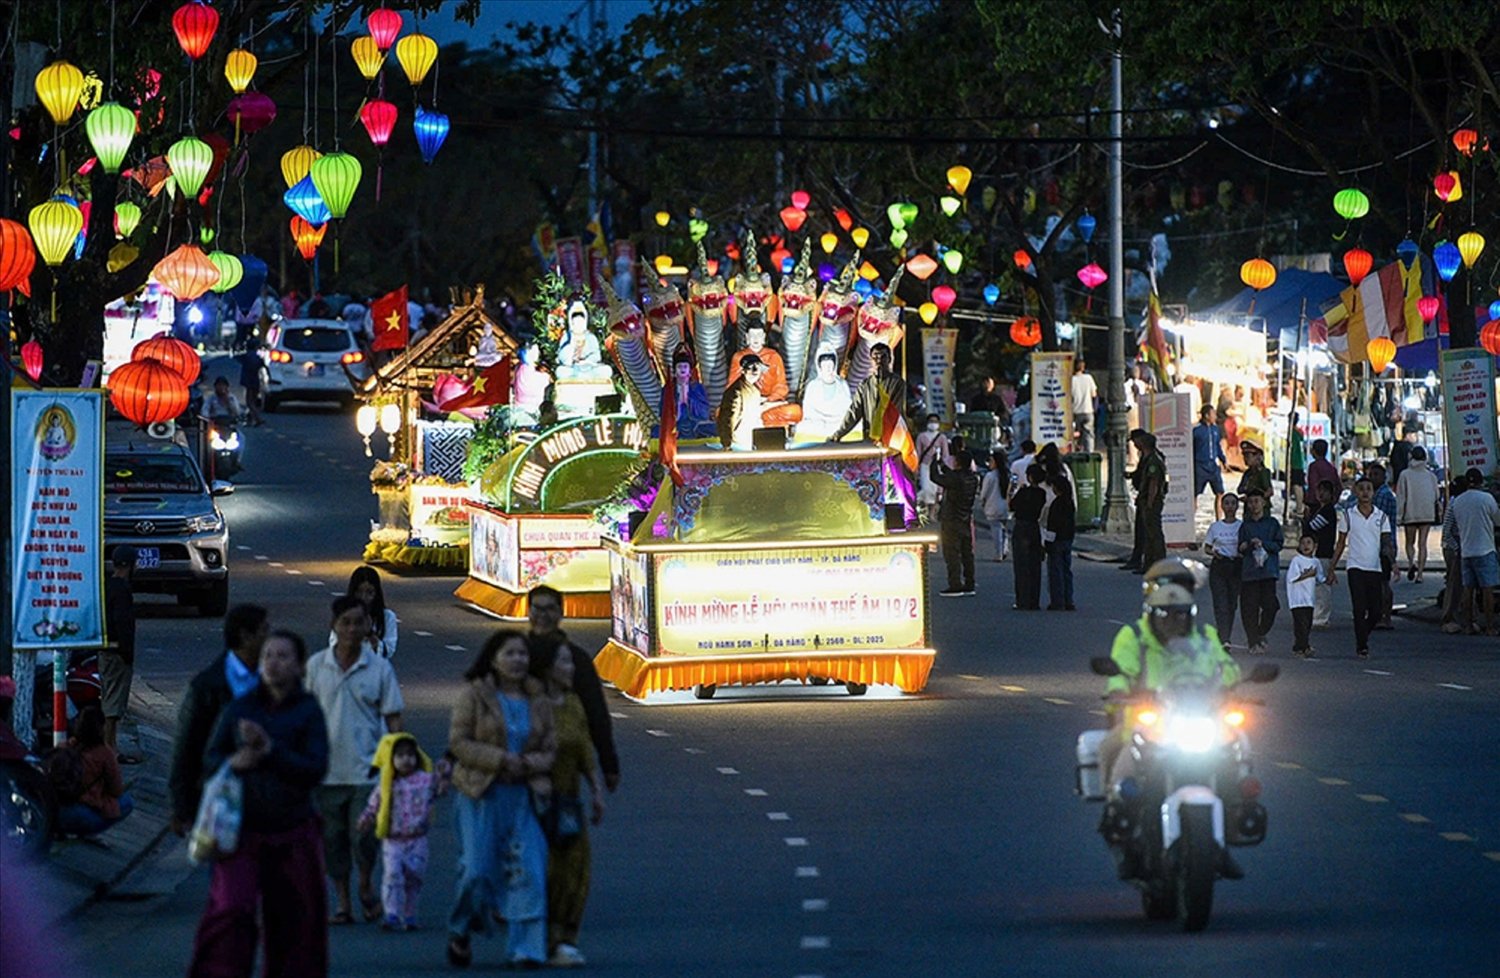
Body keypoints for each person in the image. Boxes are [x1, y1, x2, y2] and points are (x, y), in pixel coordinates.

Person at [188, 630, 329, 978]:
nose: (273, 663)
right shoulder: (241, 707)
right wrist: (233, 762)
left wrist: (272, 752)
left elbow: (315, 768)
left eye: (283, 657)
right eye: (268, 656)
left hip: (292, 829)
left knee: (295, 921)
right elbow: (211, 758)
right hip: (243, 832)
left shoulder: (308, 711)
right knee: (230, 910)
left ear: (299, 666)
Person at [1099, 572, 1241, 876]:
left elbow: (1226, 667)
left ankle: (1229, 832)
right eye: (1165, 614)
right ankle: (1123, 838)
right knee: (1116, 768)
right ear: (1152, 614)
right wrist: (1119, 690)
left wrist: (1230, 686)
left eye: (1180, 614)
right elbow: (1120, 670)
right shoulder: (1134, 637)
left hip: (1198, 718)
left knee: (1239, 756)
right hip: (1147, 725)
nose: (1173, 620)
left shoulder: (1205, 637)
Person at [446, 630, 555, 969]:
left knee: (531, 871)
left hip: (524, 795)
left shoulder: (538, 699)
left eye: (522, 654)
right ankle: (462, 928)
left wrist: (527, 764)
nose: (518, 660)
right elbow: (459, 743)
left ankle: (526, 948)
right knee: (477, 872)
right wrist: (499, 759)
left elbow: (550, 749)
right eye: (510, 653)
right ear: (493, 658)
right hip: (481, 793)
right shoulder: (474, 696)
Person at [306, 595, 405, 925]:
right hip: (327, 772)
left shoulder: (379, 669)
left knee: (364, 839)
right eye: (345, 622)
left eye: (357, 622)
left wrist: (397, 766)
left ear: (367, 626)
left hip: (368, 772)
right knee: (332, 842)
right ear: (333, 626)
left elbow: (393, 719)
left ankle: (364, 883)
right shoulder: (316, 667)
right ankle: (344, 902)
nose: (351, 629)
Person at [530, 635, 605, 969]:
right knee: (548, 872)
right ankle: (545, 939)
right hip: (536, 800)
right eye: (563, 662)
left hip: (569, 800)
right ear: (547, 669)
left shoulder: (574, 702)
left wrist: (596, 790)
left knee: (577, 869)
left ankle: (567, 938)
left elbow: (584, 748)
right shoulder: (531, 705)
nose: (570, 668)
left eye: (570, 661)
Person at [169, 605, 270, 837]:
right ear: (246, 636)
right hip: (220, 800)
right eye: (264, 630)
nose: (268, 638)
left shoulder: (274, 680)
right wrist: (180, 807)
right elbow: (186, 747)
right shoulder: (208, 686)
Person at [528, 585, 620, 792]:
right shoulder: (517, 655)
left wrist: (608, 764)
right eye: (537, 609)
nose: (543, 615)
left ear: (561, 612)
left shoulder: (575, 659)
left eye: (549, 609)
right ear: (528, 612)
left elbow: (596, 712)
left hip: (563, 771)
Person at [358, 732, 445, 931]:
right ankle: (392, 914)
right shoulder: (386, 785)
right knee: (392, 875)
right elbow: (374, 805)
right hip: (393, 839)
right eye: (400, 756)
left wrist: (443, 775)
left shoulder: (425, 780)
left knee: (414, 877)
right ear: (391, 759)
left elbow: (440, 789)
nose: (406, 760)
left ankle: (410, 913)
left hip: (417, 839)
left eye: (410, 755)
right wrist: (366, 819)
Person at [830, 342, 918, 526]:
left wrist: (881, 435)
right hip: (871, 441)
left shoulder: (897, 383)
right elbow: (854, 412)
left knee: (902, 479)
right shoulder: (866, 384)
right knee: (873, 480)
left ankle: (910, 516)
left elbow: (892, 410)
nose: (879, 360)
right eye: (876, 357)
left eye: (883, 356)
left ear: (889, 359)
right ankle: (874, 518)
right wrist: (839, 433)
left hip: (893, 440)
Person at [1329, 476, 1393, 659]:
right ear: (1356, 492)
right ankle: (1361, 645)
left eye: (1369, 489)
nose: (1365, 492)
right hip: (1355, 566)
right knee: (1359, 607)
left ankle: (1363, 633)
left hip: (1374, 567)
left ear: (1373, 492)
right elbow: (1340, 543)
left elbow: (1386, 543)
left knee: (1376, 610)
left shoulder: (1381, 517)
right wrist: (1332, 567)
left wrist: (1393, 562)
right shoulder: (1348, 515)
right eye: (1361, 489)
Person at [54, 705, 133, 837]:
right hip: (83, 814)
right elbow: (116, 790)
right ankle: (89, 833)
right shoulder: (104, 754)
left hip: (56, 810)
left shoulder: (63, 747)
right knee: (127, 801)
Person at [1448, 468, 1500, 636]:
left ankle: (1468, 625)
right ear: (1480, 481)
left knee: (1467, 590)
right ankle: (1490, 626)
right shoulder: (1487, 499)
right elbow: (1497, 519)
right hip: (1485, 549)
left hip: (1466, 550)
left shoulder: (1458, 501)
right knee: (1487, 590)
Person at [724, 320, 802, 427]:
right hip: (745, 404)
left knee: (795, 411)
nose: (755, 339)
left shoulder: (774, 356)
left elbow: (781, 387)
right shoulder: (739, 358)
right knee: (722, 412)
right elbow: (731, 388)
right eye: (752, 335)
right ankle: (764, 420)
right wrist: (751, 399)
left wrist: (767, 401)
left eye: (759, 335)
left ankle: (760, 419)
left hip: (768, 404)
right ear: (747, 337)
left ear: (764, 337)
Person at [101, 546, 138, 763]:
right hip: (116, 653)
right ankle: (109, 749)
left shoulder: (107, 585)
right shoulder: (121, 589)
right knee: (112, 706)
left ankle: (111, 746)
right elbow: (122, 622)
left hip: (108, 650)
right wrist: (126, 652)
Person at [1237, 489, 1284, 655]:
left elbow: (1278, 544)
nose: (1254, 505)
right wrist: (1246, 545)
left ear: (1264, 503)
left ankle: (1260, 632)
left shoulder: (1272, 523)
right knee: (1249, 609)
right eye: (1251, 502)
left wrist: (1263, 543)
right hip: (1250, 572)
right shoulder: (1245, 525)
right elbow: (1240, 547)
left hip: (1268, 571)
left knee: (1270, 605)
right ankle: (1253, 641)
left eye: (1257, 501)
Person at [931, 449, 980, 597]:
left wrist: (934, 462)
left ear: (957, 462)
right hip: (965, 517)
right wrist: (943, 465)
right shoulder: (973, 478)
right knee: (967, 553)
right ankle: (969, 583)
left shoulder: (955, 479)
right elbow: (952, 476)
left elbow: (935, 477)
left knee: (952, 553)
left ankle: (955, 584)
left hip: (951, 519)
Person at [1200, 492, 1243, 646]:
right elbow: (1207, 547)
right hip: (1219, 565)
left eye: (1233, 503)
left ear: (1237, 506)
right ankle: (1224, 638)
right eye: (1227, 503)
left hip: (1236, 566)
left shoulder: (1241, 526)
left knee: (1231, 603)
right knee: (1220, 603)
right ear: (1222, 506)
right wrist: (1214, 553)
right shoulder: (1215, 527)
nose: (1230, 507)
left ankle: (1225, 633)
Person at [1395, 445, 1441, 582]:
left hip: (1410, 512)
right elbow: (1436, 495)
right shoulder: (1431, 476)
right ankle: (1420, 574)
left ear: (1411, 457)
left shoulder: (1405, 474)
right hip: (1427, 513)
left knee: (1410, 542)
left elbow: (1401, 496)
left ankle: (1411, 563)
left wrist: (1399, 516)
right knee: (1423, 544)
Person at [334, 566, 399, 659]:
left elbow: (389, 650)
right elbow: (334, 643)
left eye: (369, 592)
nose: (364, 597)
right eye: (359, 592)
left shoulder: (388, 616)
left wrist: (374, 641)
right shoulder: (343, 614)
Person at [1127, 429, 1168, 572]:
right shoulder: (1147, 458)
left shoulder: (1153, 461)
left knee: (1153, 534)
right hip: (1145, 500)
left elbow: (1154, 483)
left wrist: (1150, 502)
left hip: (1151, 501)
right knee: (1148, 533)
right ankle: (1148, 563)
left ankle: (1157, 563)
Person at [1302, 480, 1340, 627]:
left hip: (1323, 552)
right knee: (1317, 586)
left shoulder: (1328, 511)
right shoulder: (1321, 509)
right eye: (1319, 490)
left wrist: (1306, 519)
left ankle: (1321, 617)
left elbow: (1312, 527)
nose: (1321, 494)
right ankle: (1317, 615)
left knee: (1322, 587)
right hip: (1318, 553)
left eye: (1325, 491)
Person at [1367, 462, 1399, 629]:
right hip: (1378, 543)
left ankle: (1385, 616)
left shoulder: (1383, 495)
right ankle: (1380, 614)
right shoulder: (1379, 493)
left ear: (1383, 477)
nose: (1372, 478)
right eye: (1371, 475)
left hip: (1384, 543)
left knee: (1383, 582)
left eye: (1376, 475)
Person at [1009, 465, 1047, 610]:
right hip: (1034, 527)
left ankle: (1022, 599)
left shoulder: (1023, 492)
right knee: (1034, 565)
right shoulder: (1041, 494)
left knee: (1021, 565)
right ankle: (1033, 600)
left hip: (1021, 527)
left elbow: (1012, 506)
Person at [798, 350, 853, 441]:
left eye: (830, 365)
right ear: (820, 367)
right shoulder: (813, 385)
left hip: (837, 422)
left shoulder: (842, 384)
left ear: (834, 366)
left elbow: (848, 408)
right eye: (825, 365)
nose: (828, 369)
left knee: (855, 425)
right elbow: (808, 410)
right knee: (803, 426)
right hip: (818, 423)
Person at [1286, 535, 1325, 658]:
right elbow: (1292, 578)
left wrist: (1328, 579)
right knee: (1300, 624)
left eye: (1309, 543)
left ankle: (1302, 645)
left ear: (1315, 546)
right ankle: (1301, 646)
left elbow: (1320, 578)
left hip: (1309, 599)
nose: (1306, 546)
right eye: (1303, 543)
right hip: (1297, 599)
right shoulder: (1296, 561)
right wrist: (1307, 575)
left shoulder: (1315, 561)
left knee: (1307, 624)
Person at [1439, 478, 1470, 634]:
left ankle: (1463, 617)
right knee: (1454, 584)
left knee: (1462, 585)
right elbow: (1446, 533)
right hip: (1453, 547)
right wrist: (1457, 549)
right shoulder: (1455, 504)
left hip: (1456, 546)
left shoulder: (1455, 502)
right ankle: (1448, 617)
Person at [718, 353, 766, 451]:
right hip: (738, 442)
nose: (755, 371)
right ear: (743, 371)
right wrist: (727, 443)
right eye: (751, 367)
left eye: (758, 367)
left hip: (753, 439)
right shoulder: (736, 391)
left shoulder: (755, 390)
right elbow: (728, 418)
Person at [1045, 473, 1077, 611]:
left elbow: (1052, 524)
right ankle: (1068, 599)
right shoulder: (1069, 503)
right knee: (1066, 570)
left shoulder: (1056, 504)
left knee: (1055, 571)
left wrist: (1048, 541)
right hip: (1067, 539)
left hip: (1057, 539)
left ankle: (1057, 601)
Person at [915, 413, 952, 521]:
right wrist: (916, 467)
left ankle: (932, 513)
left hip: (937, 466)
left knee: (936, 490)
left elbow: (946, 454)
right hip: (925, 466)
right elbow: (918, 453)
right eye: (931, 421)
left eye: (935, 421)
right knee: (926, 489)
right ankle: (925, 511)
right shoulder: (921, 437)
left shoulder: (942, 437)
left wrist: (946, 468)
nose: (933, 424)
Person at [1192, 405, 1226, 518]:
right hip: (1200, 465)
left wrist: (1223, 459)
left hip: (1213, 465)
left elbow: (1217, 446)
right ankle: (1191, 517)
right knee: (1194, 493)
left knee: (1220, 492)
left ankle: (1219, 519)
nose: (1215, 416)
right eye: (1213, 414)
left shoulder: (1216, 429)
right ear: (1206, 415)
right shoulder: (1196, 431)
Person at [978, 451, 1010, 561]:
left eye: (991, 461)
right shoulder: (1007, 475)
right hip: (1006, 506)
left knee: (996, 531)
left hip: (993, 506)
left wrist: (982, 501)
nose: (989, 463)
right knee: (1004, 529)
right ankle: (1005, 548)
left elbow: (984, 492)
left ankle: (999, 553)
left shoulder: (990, 476)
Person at [1071, 359, 1098, 452]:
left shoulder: (1071, 380)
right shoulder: (1088, 378)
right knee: (1089, 434)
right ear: (1083, 367)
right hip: (1088, 410)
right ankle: (1089, 454)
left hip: (1075, 411)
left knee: (1075, 435)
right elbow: (1094, 394)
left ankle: (1077, 451)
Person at [236, 341, 265, 426]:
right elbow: (262, 366)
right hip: (255, 380)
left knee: (249, 401)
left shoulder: (245, 356)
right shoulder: (258, 357)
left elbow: (236, 357)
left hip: (248, 380)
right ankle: (251, 420)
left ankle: (257, 418)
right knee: (253, 400)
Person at [1237, 440, 1273, 504]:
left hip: (1262, 509)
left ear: (1258, 457)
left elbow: (1269, 491)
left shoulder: (1263, 472)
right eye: (1244, 456)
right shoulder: (1247, 473)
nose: (1245, 459)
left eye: (1248, 456)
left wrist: (1258, 498)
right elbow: (1240, 489)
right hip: (1249, 508)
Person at [1286, 413, 1306, 516]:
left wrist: (1289, 463)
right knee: (1298, 485)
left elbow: (1292, 449)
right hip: (1300, 462)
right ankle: (1299, 507)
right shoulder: (1299, 432)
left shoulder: (1292, 433)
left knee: (1296, 485)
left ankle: (1299, 508)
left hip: (1295, 463)